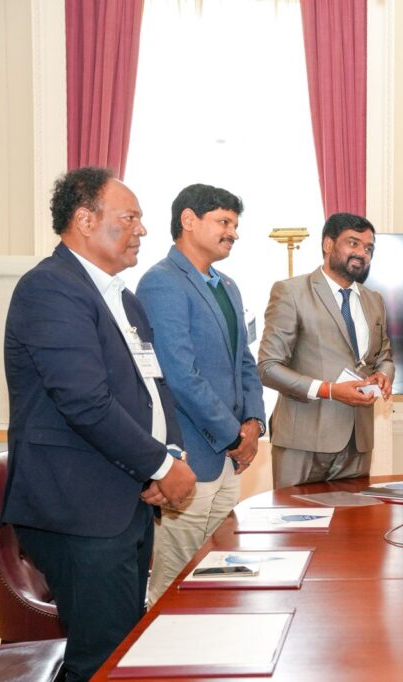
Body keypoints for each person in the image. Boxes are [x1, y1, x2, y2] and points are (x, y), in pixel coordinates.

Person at [1, 167, 196, 681]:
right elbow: (84, 401)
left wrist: (170, 455)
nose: (143, 230)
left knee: (122, 650)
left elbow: (156, 388)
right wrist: (159, 465)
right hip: (77, 508)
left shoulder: (124, 300)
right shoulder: (50, 288)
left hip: (124, 500)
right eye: (129, 217)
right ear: (84, 221)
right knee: (100, 660)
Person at [136, 183, 266, 604]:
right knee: (174, 582)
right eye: (224, 222)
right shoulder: (161, 283)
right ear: (188, 221)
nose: (233, 233)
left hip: (228, 462)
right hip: (189, 458)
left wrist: (254, 424)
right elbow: (179, 375)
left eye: (235, 224)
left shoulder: (227, 285)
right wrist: (233, 436)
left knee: (217, 571)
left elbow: (244, 361)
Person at [258, 212, 394, 488]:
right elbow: (268, 368)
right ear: (328, 244)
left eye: (368, 248)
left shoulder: (374, 300)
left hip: (358, 440)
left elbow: (384, 357)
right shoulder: (291, 292)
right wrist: (329, 390)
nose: (362, 253)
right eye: (353, 243)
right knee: (296, 527)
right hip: (303, 439)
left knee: (354, 527)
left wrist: (383, 375)